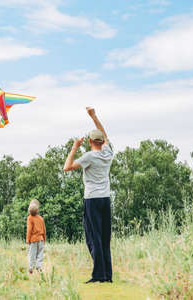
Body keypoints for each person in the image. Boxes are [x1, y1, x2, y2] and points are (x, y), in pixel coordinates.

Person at [63, 107, 114, 283]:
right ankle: (107, 275)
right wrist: (94, 117)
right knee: (105, 237)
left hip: (92, 200)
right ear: (101, 141)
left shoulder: (89, 157)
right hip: (106, 199)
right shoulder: (108, 153)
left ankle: (99, 275)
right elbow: (105, 135)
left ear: (90, 141)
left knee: (93, 237)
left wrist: (74, 147)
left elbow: (67, 167)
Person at [26, 200, 46, 274]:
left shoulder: (30, 218)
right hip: (41, 239)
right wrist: (44, 239)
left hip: (33, 240)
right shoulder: (41, 219)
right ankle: (39, 267)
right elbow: (44, 230)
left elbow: (29, 230)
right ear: (37, 211)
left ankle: (31, 268)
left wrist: (27, 240)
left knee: (32, 254)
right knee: (40, 254)